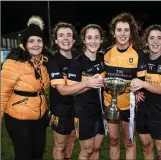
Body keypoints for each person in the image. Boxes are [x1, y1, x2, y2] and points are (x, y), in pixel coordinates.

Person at [1, 16, 50, 160]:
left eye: (39, 40)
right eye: (31, 41)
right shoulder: (13, 63)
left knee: (38, 153)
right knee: (24, 154)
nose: (36, 44)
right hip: (18, 118)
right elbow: (2, 94)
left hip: (40, 117)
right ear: (25, 43)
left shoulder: (44, 62)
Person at [130, 24, 161, 160]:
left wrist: (143, 84)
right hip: (143, 109)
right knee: (146, 147)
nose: (155, 42)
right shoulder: (141, 59)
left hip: (160, 111)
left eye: (159, 38)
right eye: (152, 38)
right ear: (147, 41)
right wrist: (136, 90)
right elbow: (135, 80)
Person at [103, 12, 146, 160]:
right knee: (113, 140)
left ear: (131, 32)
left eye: (126, 30)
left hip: (129, 106)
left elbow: (141, 81)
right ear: (113, 33)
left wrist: (139, 89)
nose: (122, 33)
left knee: (129, 143)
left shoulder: (138, 55)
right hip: (110, 104)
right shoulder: (105, 54)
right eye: (119, 30)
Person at [66, 24, 106, 160]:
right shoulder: (76, 63)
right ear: (84, 40)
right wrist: (87, 83)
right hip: (83, 113)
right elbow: (70, 91)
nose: (93, 41)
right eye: (89, 37)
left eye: (96, 37)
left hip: (101, 111)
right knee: (87, 150)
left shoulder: (103, 59)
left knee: (96, 147)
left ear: (101, 40)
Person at [46, 22, 79, 160]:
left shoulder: (80, 58)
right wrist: (88, 83)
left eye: (69, 35)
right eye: (61, 35)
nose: (65, 38)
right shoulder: (53, 61)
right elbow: (63, 91)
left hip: (77, 108)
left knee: (72, 139)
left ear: (74, 40)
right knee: (60, 145)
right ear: (56, 40)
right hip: (60, 109)